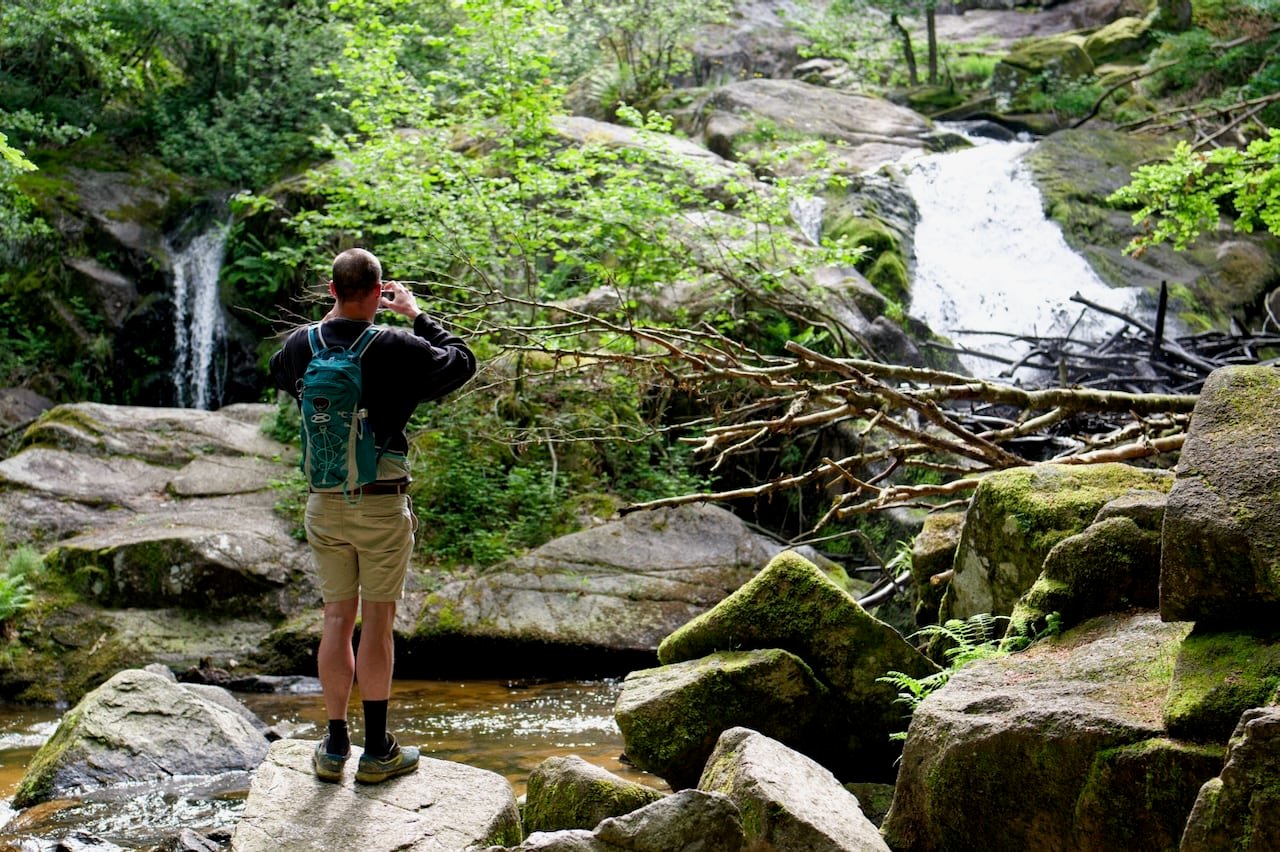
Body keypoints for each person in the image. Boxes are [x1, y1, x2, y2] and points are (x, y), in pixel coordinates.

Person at [269, 247, 476, 783]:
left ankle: (334, 745)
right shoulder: (396, 345)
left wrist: (325, 327)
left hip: (323, 504)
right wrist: (415, 314)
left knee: (336, 619)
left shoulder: (301, 344)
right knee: (377, 625)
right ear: (380, 292)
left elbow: (278, 372)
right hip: (382, 503)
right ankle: (377, 749)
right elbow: (461, 361)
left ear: (332, 290)